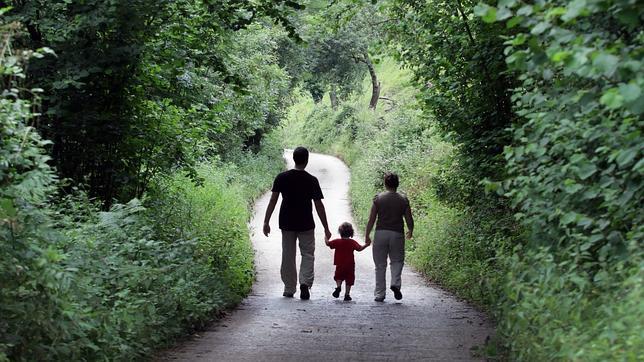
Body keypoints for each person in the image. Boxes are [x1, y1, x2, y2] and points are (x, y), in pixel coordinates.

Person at [263, 147, 332, 300]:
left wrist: (266, 221)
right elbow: (319, 205)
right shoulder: (312, 180)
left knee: (288, 254)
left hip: (286, 222)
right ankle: (305, 283)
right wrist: (326, 228)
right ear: (306, 160)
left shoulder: (282, 177)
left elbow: (273, 200)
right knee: (307, 254)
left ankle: (289, 288)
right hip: (306, 222)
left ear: (294, 159)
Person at [364, 172, 414, 302]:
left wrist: (367, 234)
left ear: (385, 183)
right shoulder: (403, 200)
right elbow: (409, 218)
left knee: (380, 265)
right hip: (397, 234)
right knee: (397, 261)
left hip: (381, 233)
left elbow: (372, 219)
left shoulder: (378, 198)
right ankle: (395, 284)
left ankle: (380, 294)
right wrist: (410, 230)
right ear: (397, 184)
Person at [325, 222, 369, 301]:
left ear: (340, 232)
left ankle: (338, 287)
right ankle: (347, 294)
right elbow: (359, 248)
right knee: (349, 279)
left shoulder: (337, 241)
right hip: (350, 265)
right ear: (351, 233)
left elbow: (328, 243)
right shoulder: (352, 242)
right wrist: (367, 244)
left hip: (339, 264)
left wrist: (326, 237)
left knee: (338, 276)